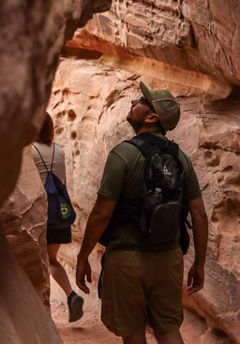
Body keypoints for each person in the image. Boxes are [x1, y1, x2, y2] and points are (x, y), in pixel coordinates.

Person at [76, 82, 208, 344]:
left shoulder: (123, 154)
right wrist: (200, 263)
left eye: (140, 101)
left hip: (127, 259)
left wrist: (83, 255)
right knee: (168, 329)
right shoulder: (181, 158)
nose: (132, 103)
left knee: (134, 332)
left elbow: (102, 213)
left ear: (151, 117)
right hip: (169, 259)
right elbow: (199, 214)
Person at [32, 112, 84, 323]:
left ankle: (43, 317)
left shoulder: (29, 152)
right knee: (52, 260)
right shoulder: (60, 152)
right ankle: (71, 294)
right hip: (59, 215)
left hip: (38, 215)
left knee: (36, 264)